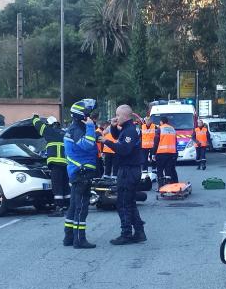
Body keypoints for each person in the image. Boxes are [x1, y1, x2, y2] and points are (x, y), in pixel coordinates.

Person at [102, 104, 146, 245]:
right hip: (129, 170)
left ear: (126, 116)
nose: (116, 117)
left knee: (122, 203)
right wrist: (113, 126)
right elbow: (118, 136)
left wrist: (106, 141)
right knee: (129, 202)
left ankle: (126, 234)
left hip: (128, 170)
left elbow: (124, 149)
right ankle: (139, 232)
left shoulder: (130, 131)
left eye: (118, 115)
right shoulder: (127, 129)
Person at [63, 99, 99, 249]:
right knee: (81, 208)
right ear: (82, 116)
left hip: (78, 173)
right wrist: (91, 127)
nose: (90, 117)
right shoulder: (77, 129)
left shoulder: (75, 128)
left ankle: (69, 237)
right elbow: (86, 144)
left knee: (73, 206)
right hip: (81, 173)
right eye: (88, 115)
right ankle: (79, 240)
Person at [32, 114, 69, 217]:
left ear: (49, 124)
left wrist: (35, 117)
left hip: (55, 164)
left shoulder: (49, 131)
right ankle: (68, 206)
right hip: (65, 163)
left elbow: (38, 125)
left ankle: (59, 208)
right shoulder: (64, 133)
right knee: (65, 185)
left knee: (57, 186)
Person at [154, 116, 178, 185]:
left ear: (161, 122)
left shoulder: (160, 129)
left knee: (160, 169)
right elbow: (175, 141)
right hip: (171, 152)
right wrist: (176, 152)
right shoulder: (172, 129)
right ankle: (168, 184)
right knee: (168, 169)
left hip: (161, 152)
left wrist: (153, 152)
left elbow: (156, 141)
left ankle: (161, 185)